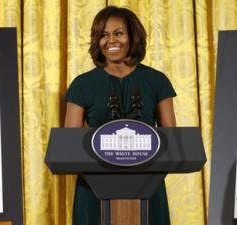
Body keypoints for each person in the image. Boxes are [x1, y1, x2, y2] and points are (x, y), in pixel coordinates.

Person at [64, 6, 176, 225]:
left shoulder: (157, 81)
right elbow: (69, 146)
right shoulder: (82, 85)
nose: (110, 41)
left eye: (118, 33)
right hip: (94, 187)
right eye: (103, 35)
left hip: (148, 184)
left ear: (133, 36)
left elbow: (170, 139)